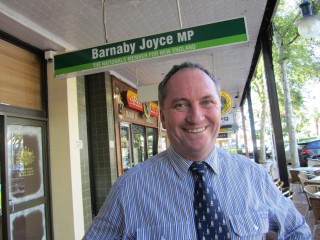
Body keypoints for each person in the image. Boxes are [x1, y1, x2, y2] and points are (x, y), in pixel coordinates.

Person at [83, 62, 311, 239]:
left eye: (207, 102)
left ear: (219, 110)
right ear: (162, 118)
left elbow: (297, 231)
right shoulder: (129, 189)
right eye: (180, 104)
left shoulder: (254, 177)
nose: (196, 117)